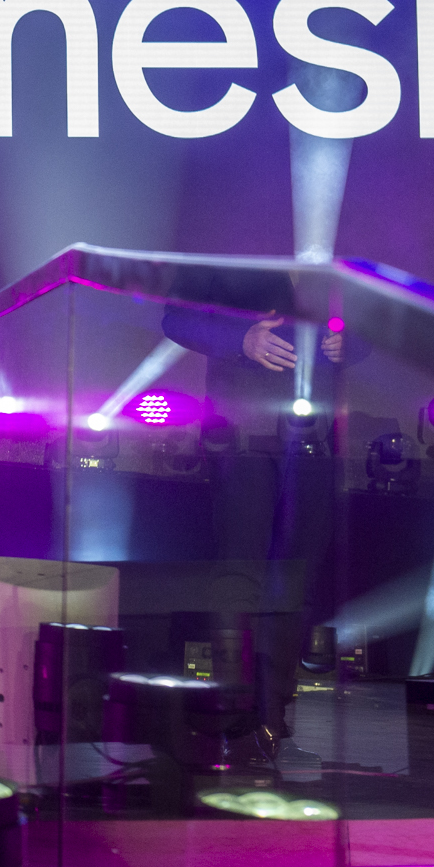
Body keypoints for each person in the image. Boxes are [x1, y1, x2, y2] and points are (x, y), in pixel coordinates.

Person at [161, 268, 364, 769]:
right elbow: (177, 318)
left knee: (295, 581)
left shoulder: (337, 264)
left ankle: (273, 719)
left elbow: (372, 328)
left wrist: (351, 344)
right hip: (243, 438)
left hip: (312, 441)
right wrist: (242, 338)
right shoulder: (236, 246)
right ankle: (234, 719)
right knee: (240, 576)